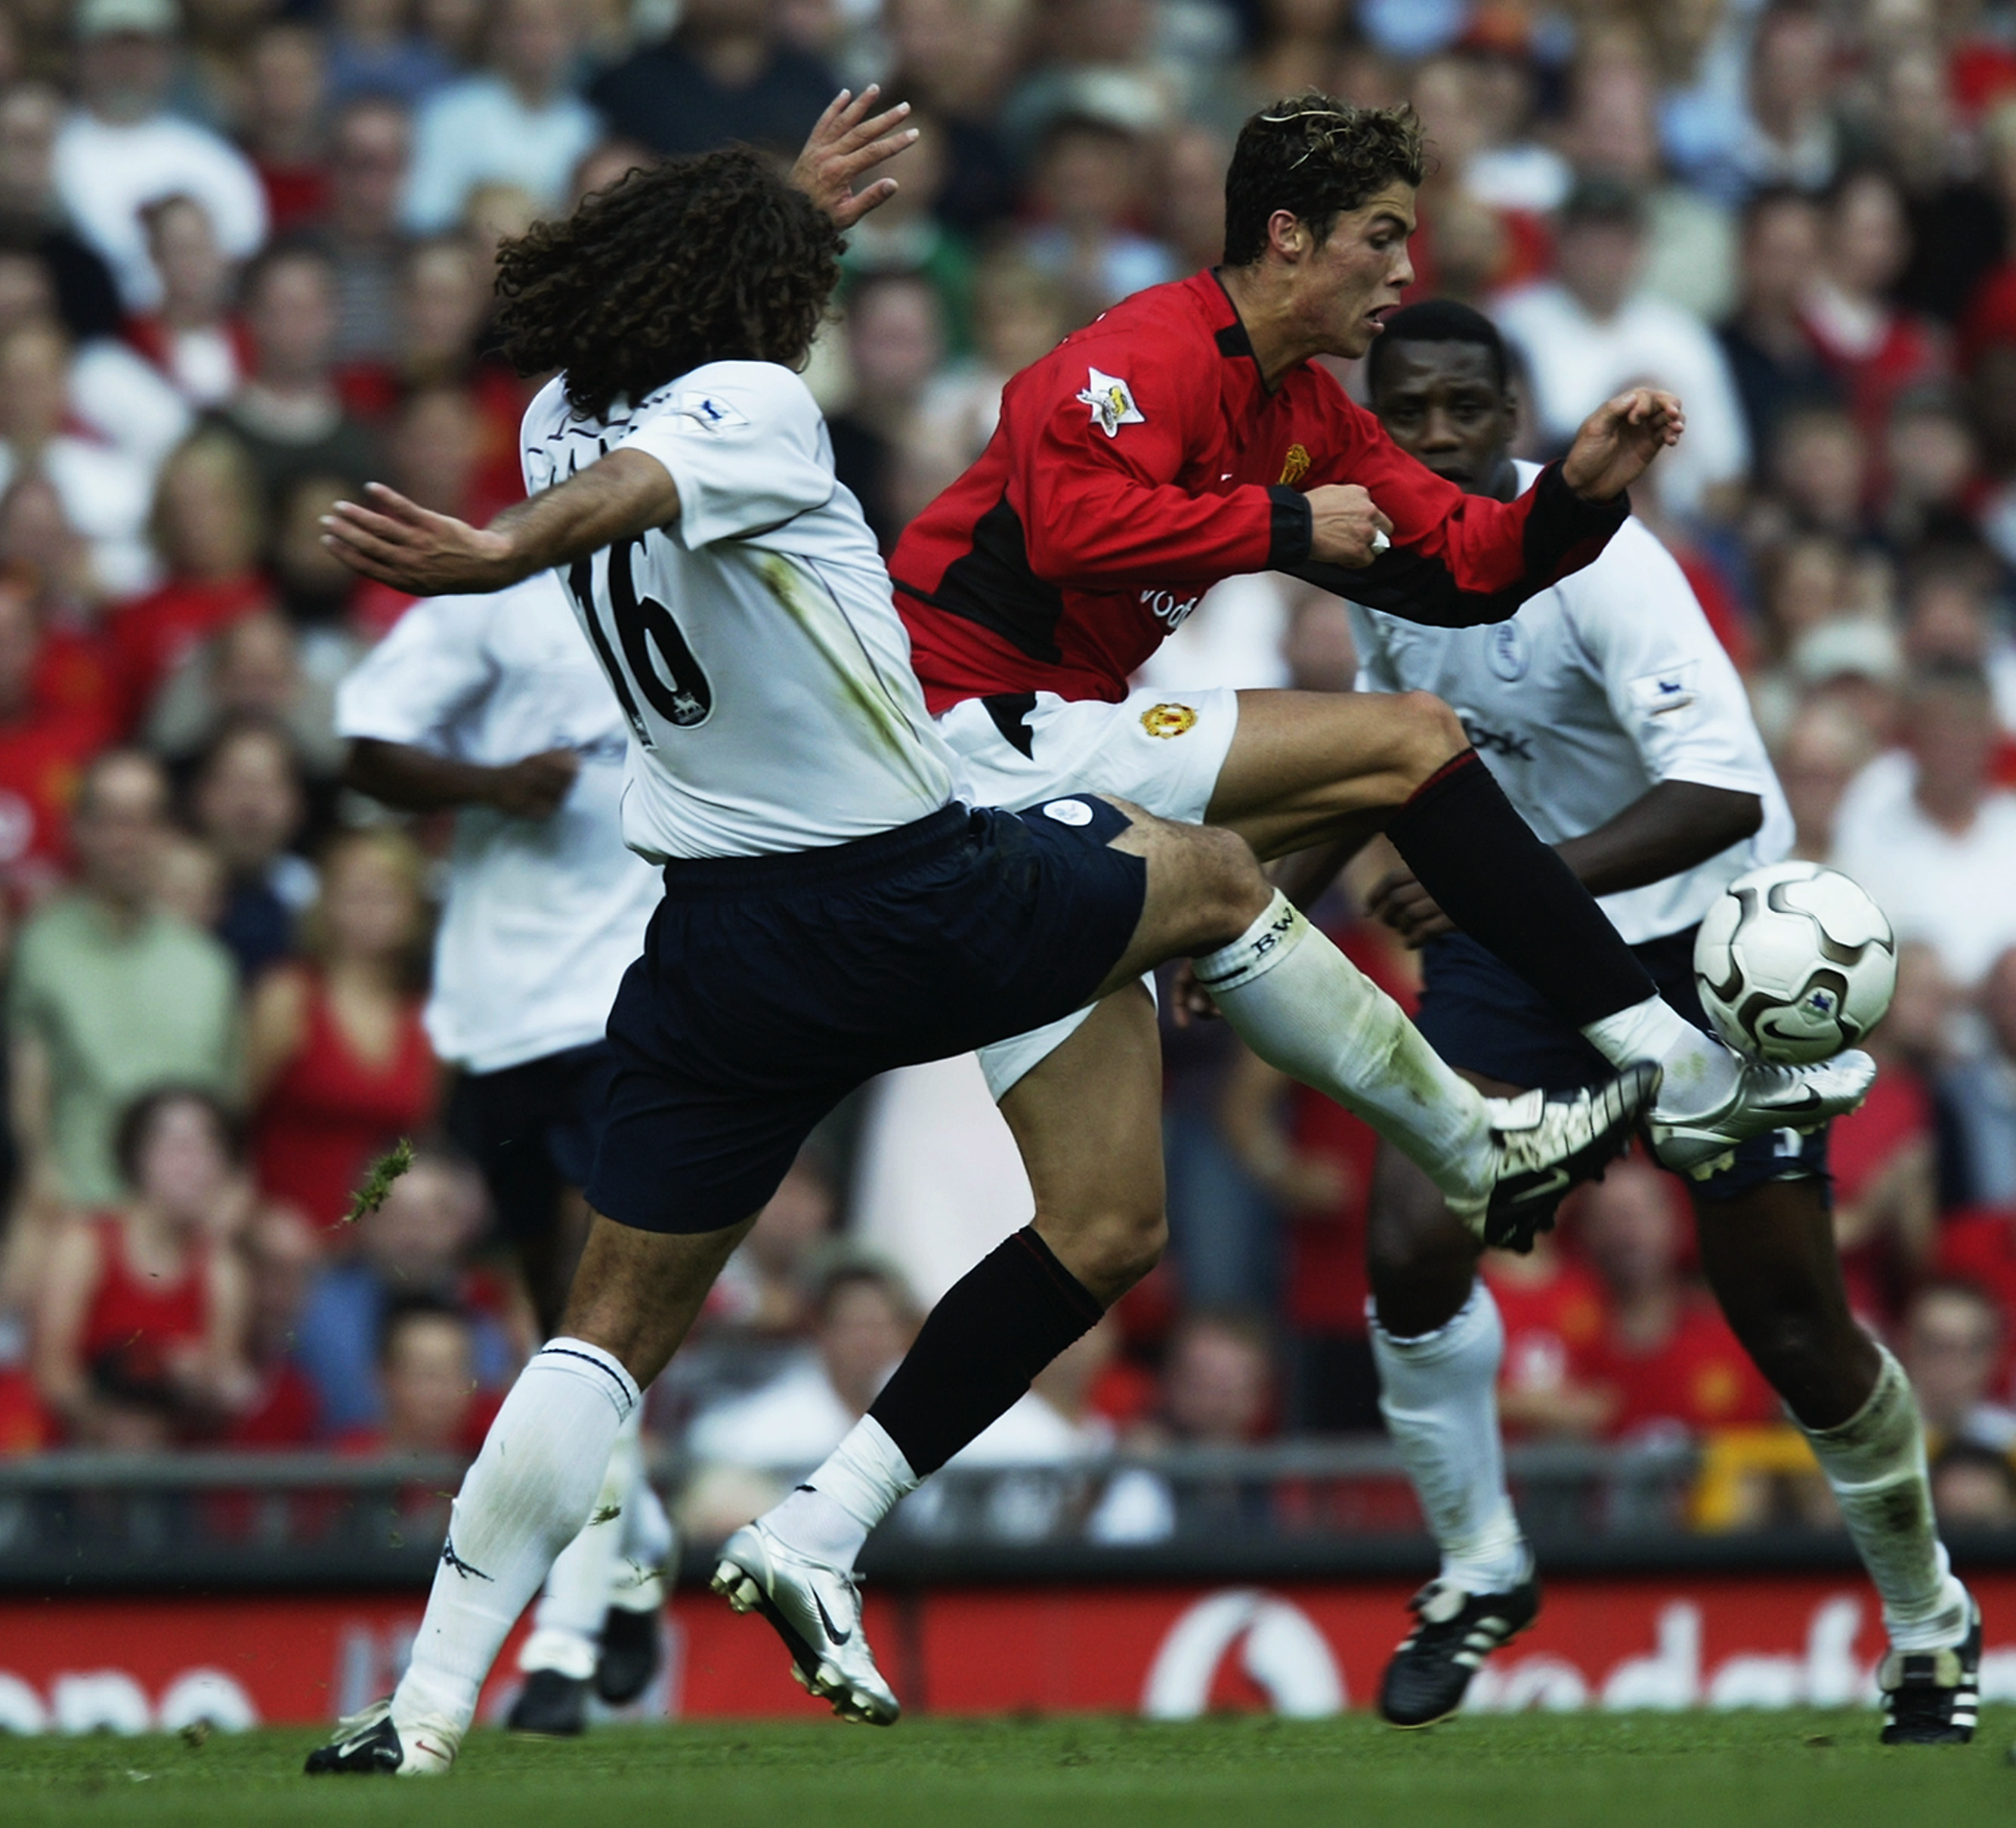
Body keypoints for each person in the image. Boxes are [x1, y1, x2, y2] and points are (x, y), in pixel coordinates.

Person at [303, 104, 1655, 1776]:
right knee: (1218, 882)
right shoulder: (758, 409)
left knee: (612, 1334)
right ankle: (1482, 1140)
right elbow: (676, 456)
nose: (806, 306)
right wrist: (496, 558)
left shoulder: (546, 416)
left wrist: (762, 217)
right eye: (785, 275)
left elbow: (630, 445)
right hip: (909, 886)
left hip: (709, 945)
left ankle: (425, 1710)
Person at [1339, 299, 1976, 1743]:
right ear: (1371, 419)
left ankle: (1927, 1617)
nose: (1433, 434)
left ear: (1512, 416)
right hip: (1518, 951)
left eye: (1461, 407)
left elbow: (1725, 789)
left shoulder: (1610, 566)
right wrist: (1250, 893)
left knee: (1788, 1319)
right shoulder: (1374, 560)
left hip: (1702, 944)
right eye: (1405, 411)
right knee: (1406, 1236)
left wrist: (1508, 875)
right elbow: (1383, 743)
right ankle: (1478, 1567)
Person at [335, 567, 672, 1736]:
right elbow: (363, 744)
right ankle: (634, 1566)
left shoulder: (704, 571)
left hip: (638, 995)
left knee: (594, 1322)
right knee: (567, 1343)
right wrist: (487, 782)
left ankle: (563, 1654)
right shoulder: (497, 593)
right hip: (502, 1012)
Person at [9, 750, 241, 1211]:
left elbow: (229, 1107)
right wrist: (41, 1179)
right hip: (78, 1212)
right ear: (80, 830)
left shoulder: (208, 965)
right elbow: (28, 1092)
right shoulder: (39, 948)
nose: (128, 840)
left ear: (167, 834)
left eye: (144, 821)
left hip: (186, 1218)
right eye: (112, 820)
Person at [30, 1087, 254, 1447]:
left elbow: (220, 1403)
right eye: (176, 1148)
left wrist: (202, 1383)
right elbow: (52, 1373)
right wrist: (116, 1428)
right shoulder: (85, 1245)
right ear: (137, 1157)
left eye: (207, 1149)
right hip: (79, 1458)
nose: (191, 1165)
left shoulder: (220, 1268)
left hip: (170, 1467)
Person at [246, 827, 438, 1231]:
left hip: (382, 1251)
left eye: (387, 893)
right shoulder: (288, 995)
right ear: (325, 903)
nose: (370, 908)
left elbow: (421, 1145)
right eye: (355, 892)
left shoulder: (426, 1019)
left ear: (413, 910)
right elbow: (235, 1119)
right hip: (283, 1242)